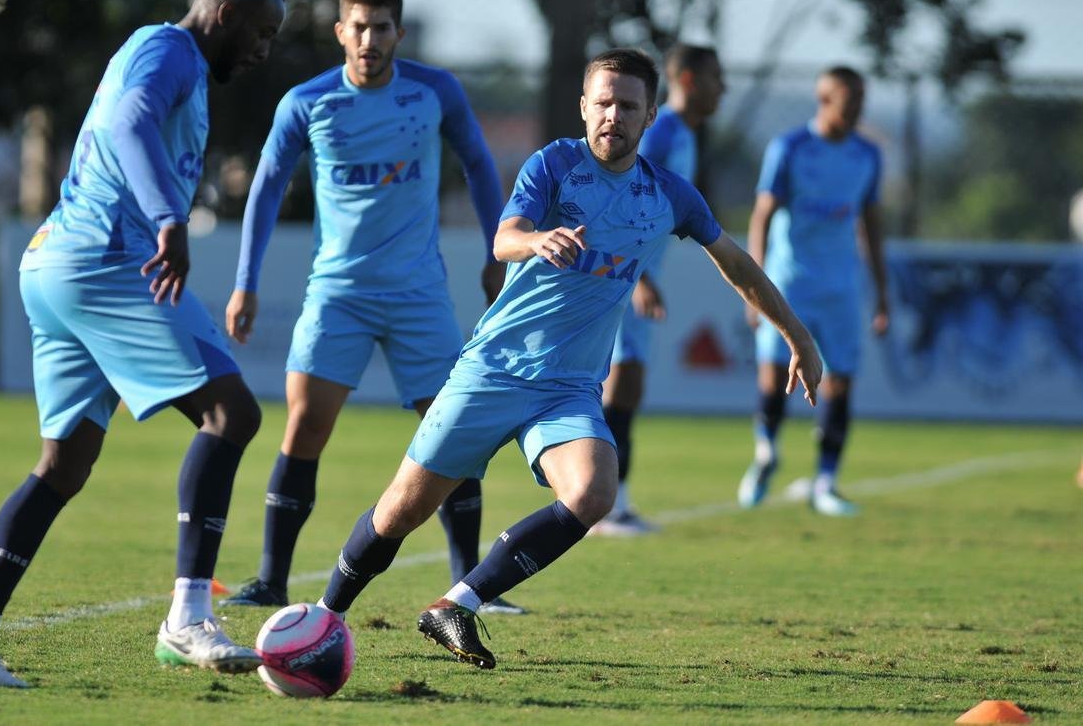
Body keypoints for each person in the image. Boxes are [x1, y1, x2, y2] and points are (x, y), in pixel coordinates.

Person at [310, 48, 822, 669]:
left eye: (628, 105)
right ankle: (323, 619)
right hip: (493, 369)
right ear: (584, 107)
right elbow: (504, 238)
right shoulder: (554, 164)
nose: (614, 115)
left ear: (651, 114)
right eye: (603, 102)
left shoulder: (669, 195)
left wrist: (798, 336)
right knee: (401, 510)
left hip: (569, 388)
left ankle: (458, 604)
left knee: (593, 491)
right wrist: (535, 240)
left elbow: (737, 265)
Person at [0, 0, 288, 687]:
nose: (264, 49)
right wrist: (167, 216)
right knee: (231, 412)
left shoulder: (164, 54)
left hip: (54, 263)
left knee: (62, 466)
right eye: (261, 32)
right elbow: (128, 123)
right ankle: (188, 615)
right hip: (105, 260)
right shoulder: (170, 49)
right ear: (223, 14)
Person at [220, 0, 520, 614]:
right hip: (338, 293)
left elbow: (476, 162)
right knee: (305, 425)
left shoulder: (435, 91)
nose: (369, 39)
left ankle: (471, 586)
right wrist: (245, 282)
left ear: (398, 33)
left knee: (454, 431)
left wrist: (499, 247)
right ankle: (273, 578)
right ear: (340, 32)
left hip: (419, 294)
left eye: (381, 27)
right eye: (358, 26)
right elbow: (267, 189)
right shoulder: (307, 101)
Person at [736, 66, 889, 517]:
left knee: (840, 379)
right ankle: (766, 451)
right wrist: (754, 286)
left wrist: (881, 292)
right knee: (773, 374)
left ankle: (826, 481)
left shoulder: (867, 155)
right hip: (788, 285)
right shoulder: (790, 148)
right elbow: (762, 216)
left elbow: (872, 223)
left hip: (841, 287)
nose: (858, 109)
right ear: (825, 101)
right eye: (850, 100)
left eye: (862, 100)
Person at [591, 43, 726, 536]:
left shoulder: (684, 134)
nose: (723, 88)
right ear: (688, 80)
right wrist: (641, 276)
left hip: (637, 276)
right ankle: (602, 504)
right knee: (619, 386)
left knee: (629, 387)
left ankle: (612, 501)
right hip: (625, 277)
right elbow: (622, 193)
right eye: (716, 77)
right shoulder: (664, 130)